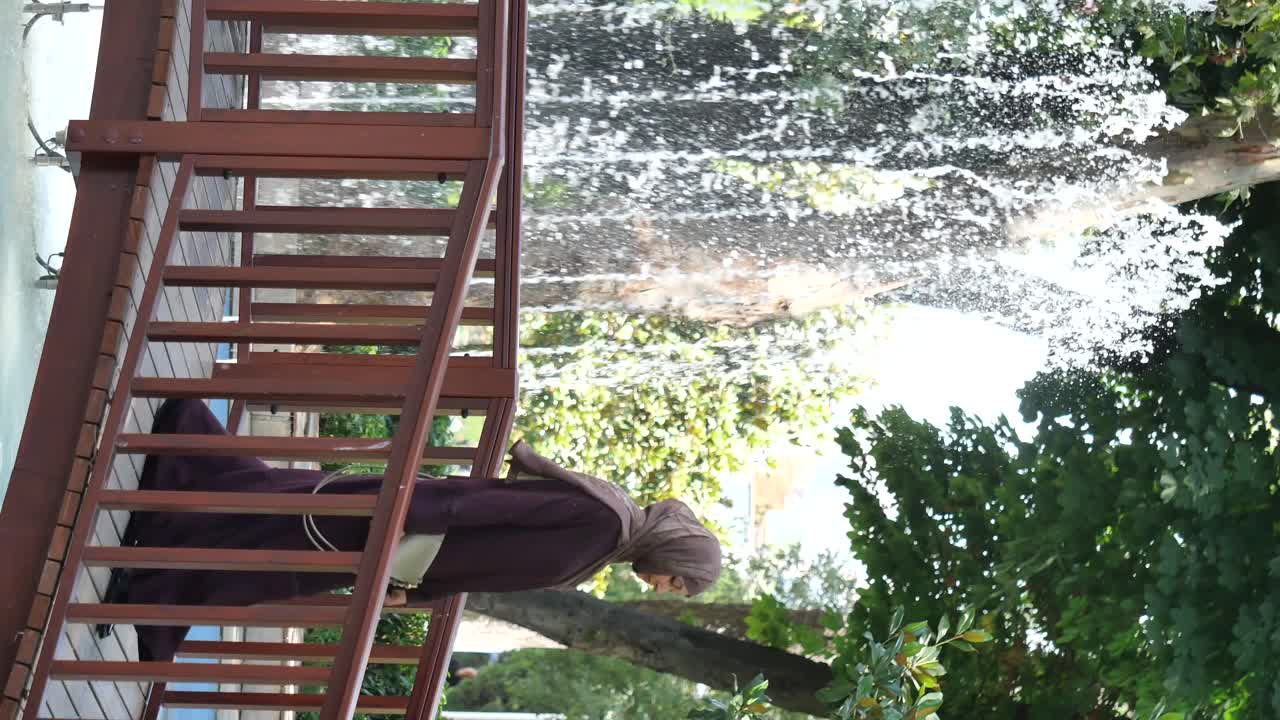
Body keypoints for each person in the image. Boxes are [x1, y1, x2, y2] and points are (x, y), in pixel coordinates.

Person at [100, 399, 722, 662]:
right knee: (280, 532)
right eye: (676, 580)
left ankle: (156, 562)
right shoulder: (604, 520)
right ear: (673, 551)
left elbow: (491, 571)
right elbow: (491, 513)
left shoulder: (610, 536)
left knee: (278, 536)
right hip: (411, 528)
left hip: (412, 548)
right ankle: (152, 565)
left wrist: (420, 593)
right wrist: (403, 516)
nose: (665, 589)